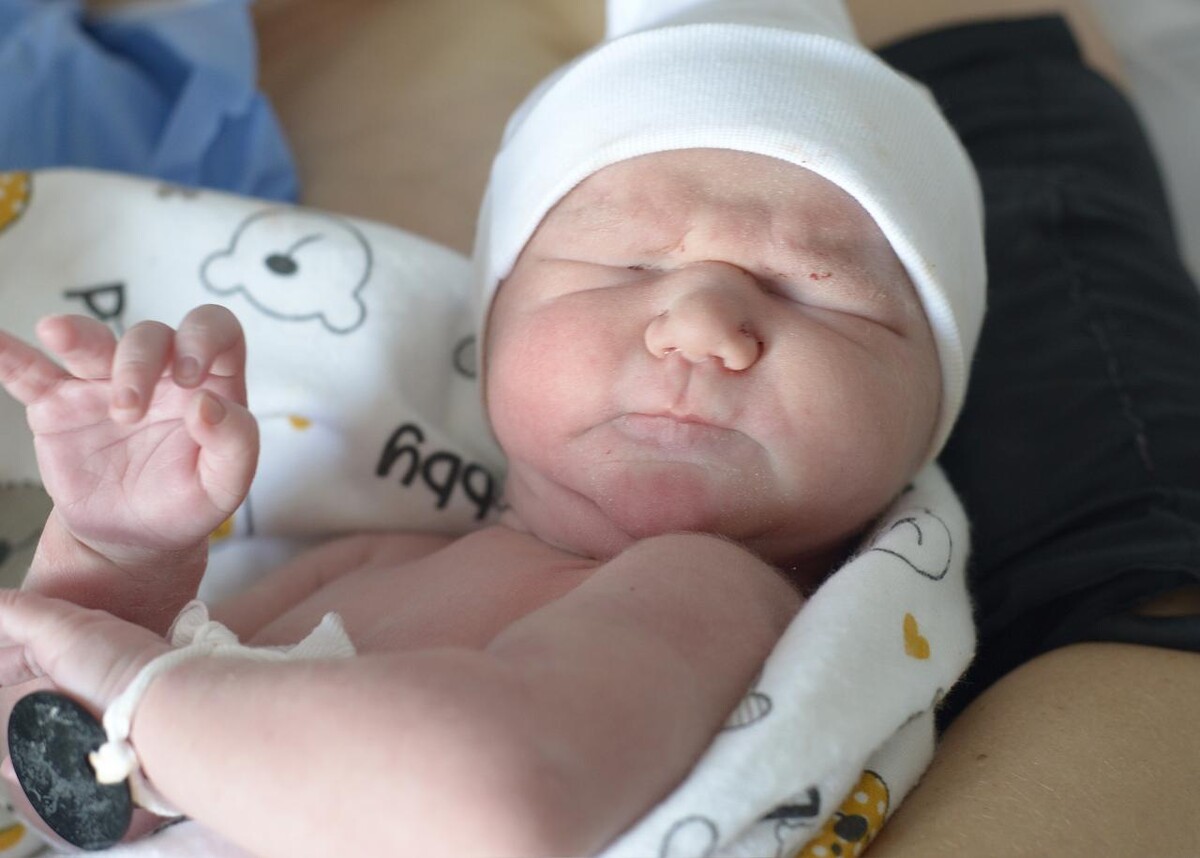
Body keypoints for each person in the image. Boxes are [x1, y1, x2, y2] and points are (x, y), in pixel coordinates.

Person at [0, 1, 984, 855]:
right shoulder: (368, 559)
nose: (699, 324)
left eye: (815, 291)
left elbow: (497, 808)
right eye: (627, 267)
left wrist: (145, 696)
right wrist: (116, 563)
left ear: (929, 414)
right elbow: (89, 793)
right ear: (494, 326)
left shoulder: (707, 594)